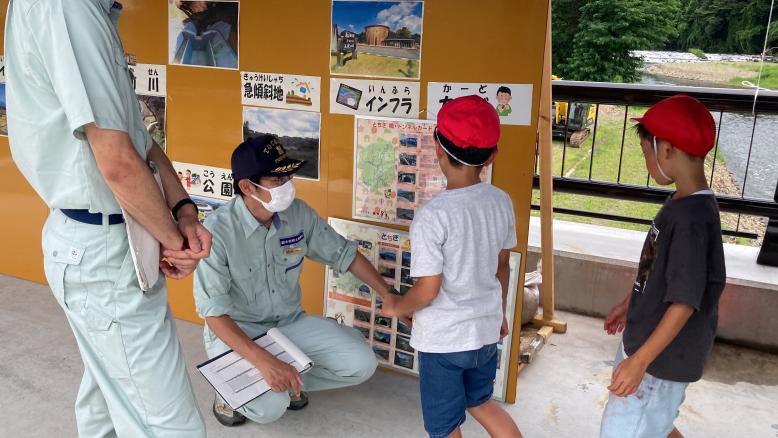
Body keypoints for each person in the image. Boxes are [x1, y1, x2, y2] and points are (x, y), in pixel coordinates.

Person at [5, 0, 212, 436]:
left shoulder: (91, 12)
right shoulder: (69, 8)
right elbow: (117, 162)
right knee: (170, 426)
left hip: (109, 238)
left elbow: (138, 139)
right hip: (104, 248)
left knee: (106, 405)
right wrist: (173, 244)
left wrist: (182, 211)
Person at [194, 134, 390, 427]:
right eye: (277, 180)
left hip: (288, 323)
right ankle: (229, 391)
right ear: (247, 187)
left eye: (289, 177)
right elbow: (215, 315)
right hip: (238, 332)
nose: (288, 187)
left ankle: (290, 377)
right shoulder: (217, 233)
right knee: (271, 408)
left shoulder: (298, 214)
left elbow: (345, 255)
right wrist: (263, 361)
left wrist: (389, 295)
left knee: (362, 364)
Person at [382, 95, 522, 438]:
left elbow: (428, 289)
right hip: (485, 331)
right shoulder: (501, 201)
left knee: (445, 426)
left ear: (438, 149)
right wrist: (500, 313)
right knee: (481, 403)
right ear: (491, 156)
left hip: (444, 342)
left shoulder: (433, 216)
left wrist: (397, 305)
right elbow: (502, 267)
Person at [599, 94, 726, 438]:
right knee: (655, 424)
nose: (646, 163)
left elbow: (684, 302)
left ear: (666, 149)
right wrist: (629, 304)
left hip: (659, 362)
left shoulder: (692, 221)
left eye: (646, 153)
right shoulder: (681, 203)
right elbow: (653, 266)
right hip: (648, 345)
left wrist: (639, 362)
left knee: (625, 430)